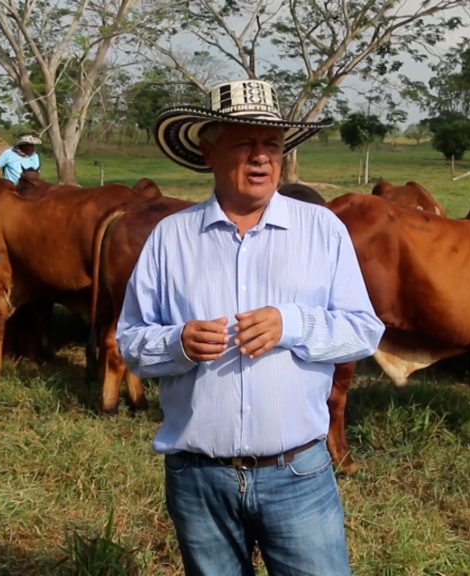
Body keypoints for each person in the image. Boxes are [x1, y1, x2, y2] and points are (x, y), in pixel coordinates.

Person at [117, 79, 385, 575]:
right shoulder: (171, 238)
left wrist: (293, 323)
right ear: (208, 148)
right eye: (244, 143)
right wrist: (179, 342)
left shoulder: (321, 229)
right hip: (199, 478)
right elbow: (131, 343)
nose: (261, 158)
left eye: (272, 145)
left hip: (298, 472)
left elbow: (363, 330)